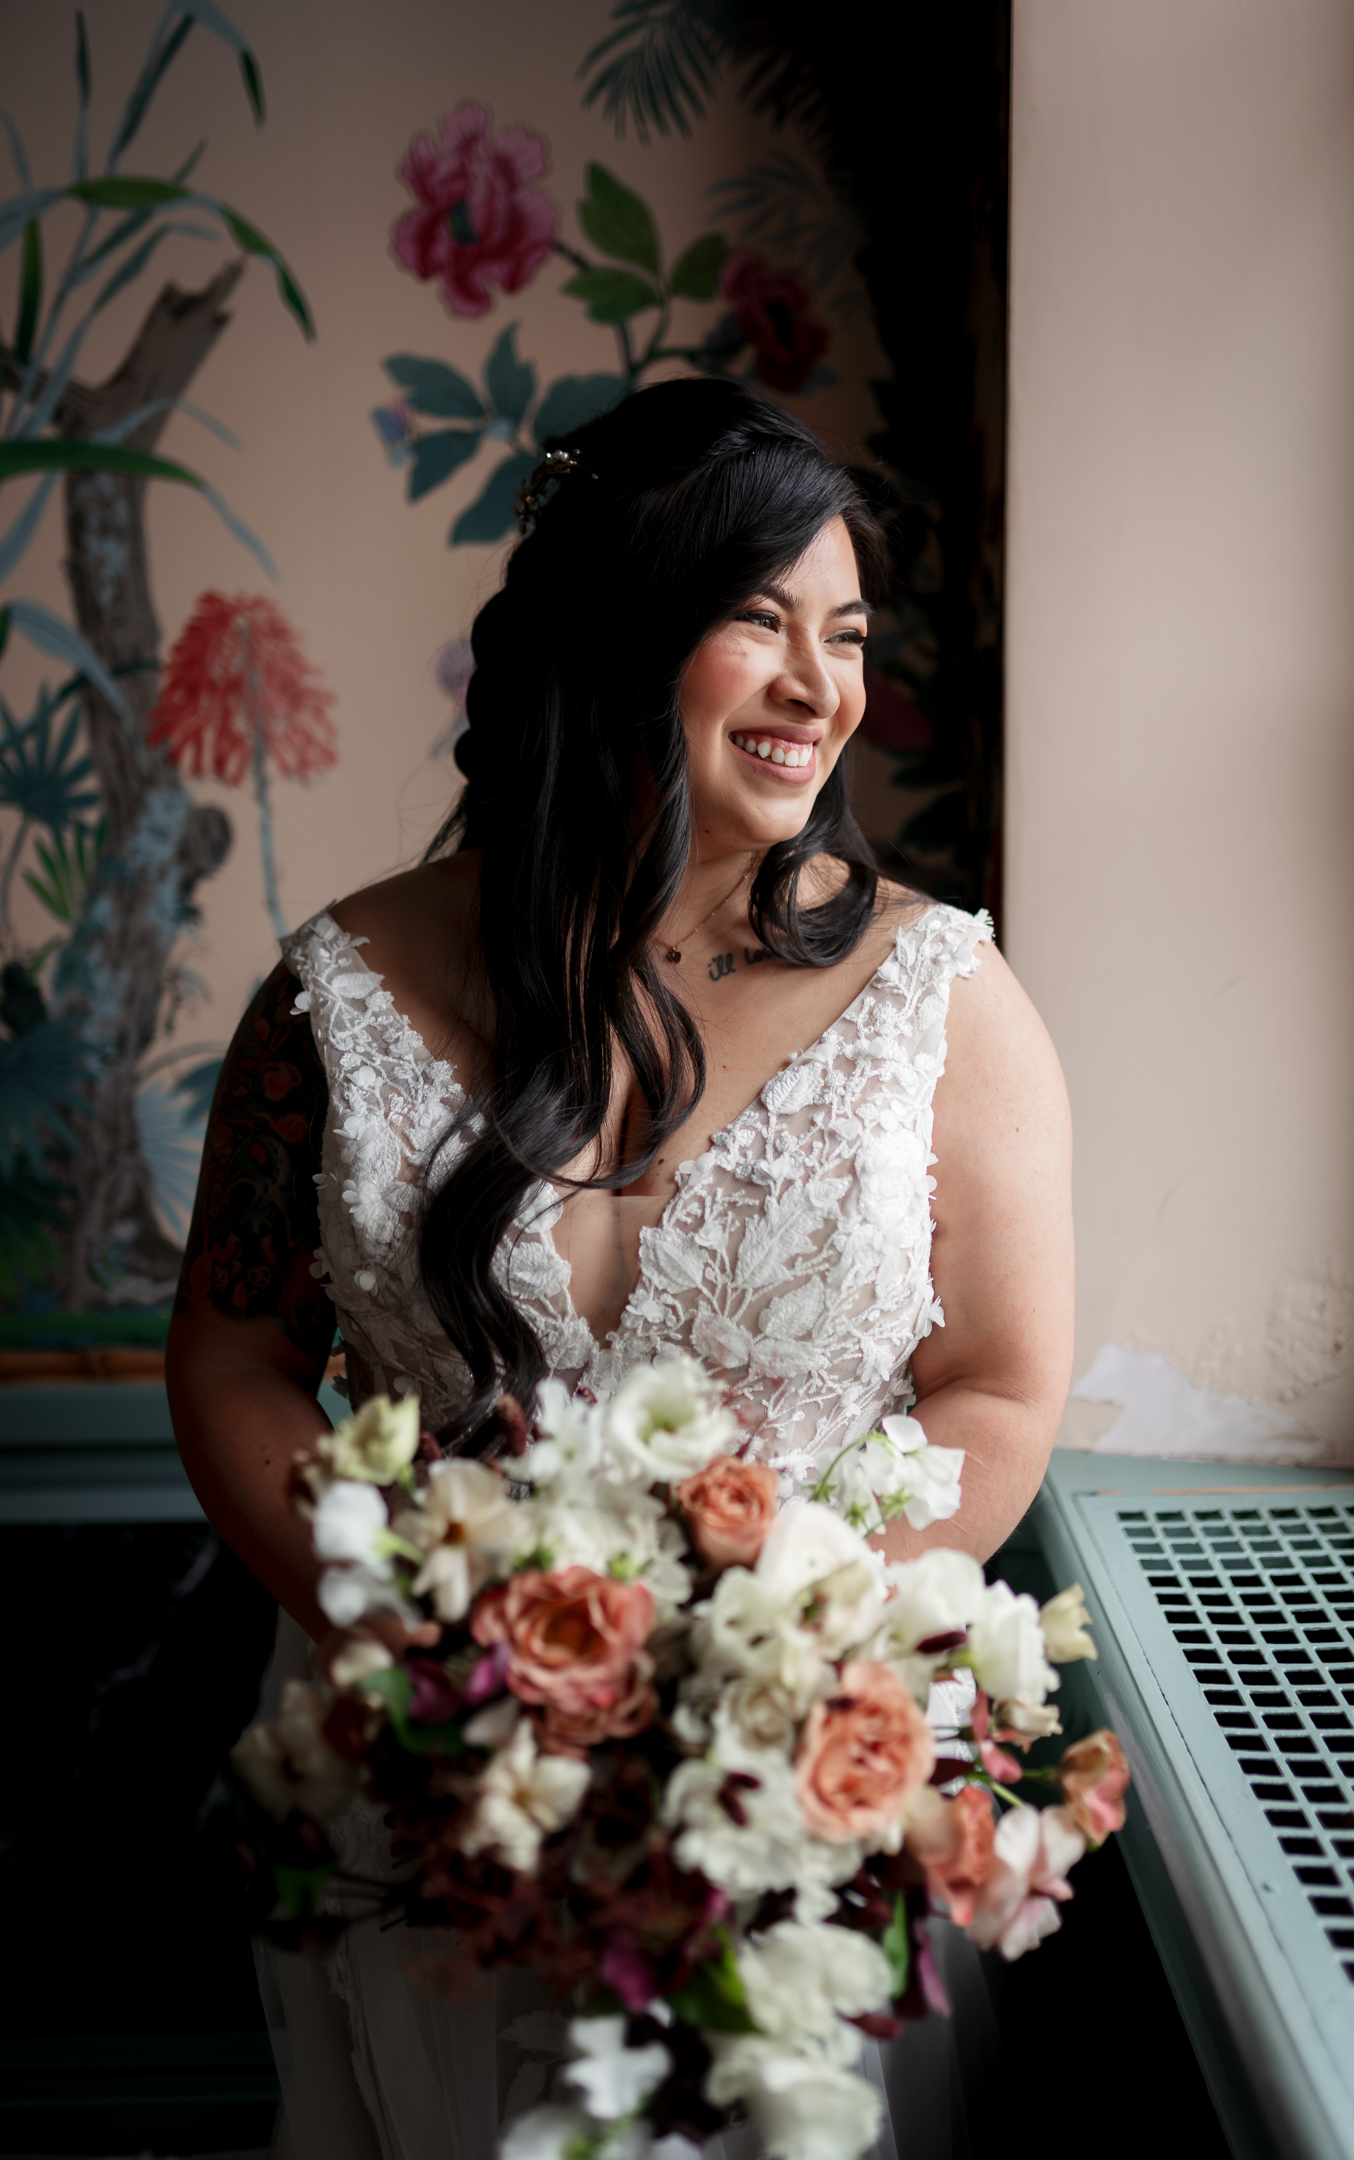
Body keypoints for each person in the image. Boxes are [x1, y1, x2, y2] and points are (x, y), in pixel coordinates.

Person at [167, 377, 1074, 2160]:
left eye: (850, 634)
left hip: (787, 1777)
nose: (827, 689)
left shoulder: (942, 1004)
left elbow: (1000, 1383)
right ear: (613, 633)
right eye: (760, 622)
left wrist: (783, 1652)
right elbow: (232, 1354)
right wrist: (418, 1644)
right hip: (434, 1790)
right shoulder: (332, 995)